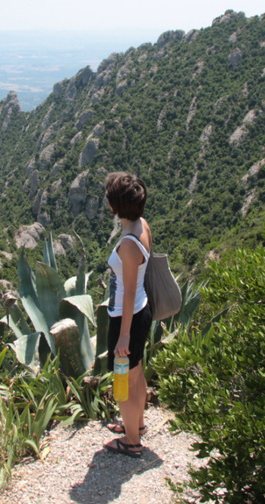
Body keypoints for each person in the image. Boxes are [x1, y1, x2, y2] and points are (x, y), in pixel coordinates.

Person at [103, 171, 152, 458]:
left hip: (127, 319)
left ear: (115, 207)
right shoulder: (141, 225)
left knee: (126, 380)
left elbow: (130, 291)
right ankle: (138, 425)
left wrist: (123, 335)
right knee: (137, 372)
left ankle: (131, 442)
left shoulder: (128, 245)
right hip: (140, 312)